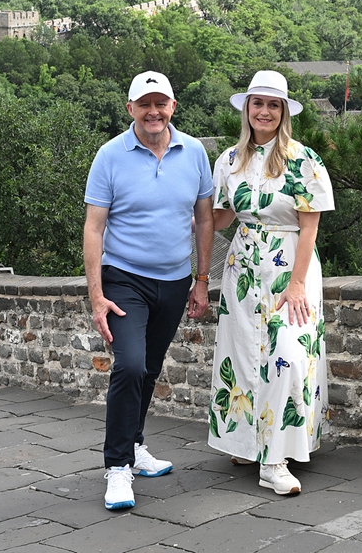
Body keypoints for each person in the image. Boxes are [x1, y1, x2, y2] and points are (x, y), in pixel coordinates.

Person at [83, 71, 214, 511]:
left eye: (161, 103)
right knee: (130, 366)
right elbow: (94, 226)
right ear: (130, 109)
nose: (153, 111)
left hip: (175, 280)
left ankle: (136, 447)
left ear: (173, 107)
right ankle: (117, 467)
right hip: (125, 277)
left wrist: (201, 280)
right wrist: (97, 295)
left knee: (151, 368)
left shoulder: (193, 151)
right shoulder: (110, 156)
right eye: (145, 104)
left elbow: (205, 219)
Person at [208, 70, 334, 496]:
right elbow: (222, 216)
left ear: (283, 112)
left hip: (290, 269)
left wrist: (297, 284)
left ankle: (276, 458)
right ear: (247, 109)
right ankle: (246, 442)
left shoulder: (303, 159)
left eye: (273, 105)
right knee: (242, 354)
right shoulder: (228, 160)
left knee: (289, 355)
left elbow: (310, 227)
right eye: (257, 103)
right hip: (242, 268)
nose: (264, 111)